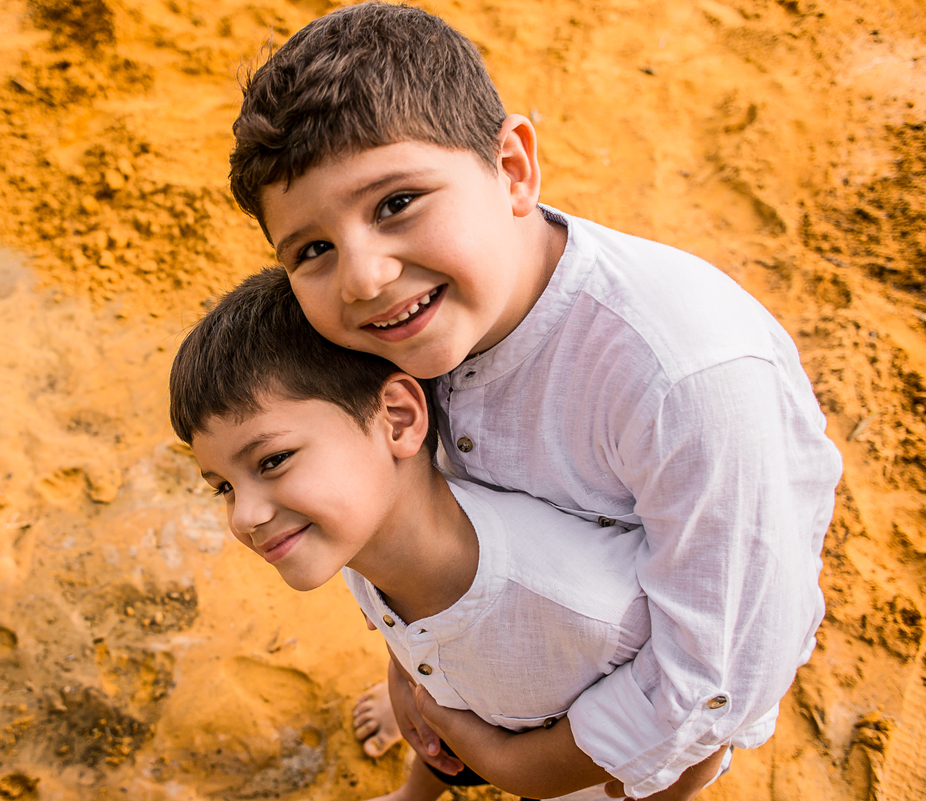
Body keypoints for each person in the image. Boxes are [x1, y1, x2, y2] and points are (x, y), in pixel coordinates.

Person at [226, 4, 844, 799]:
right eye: (313, 248)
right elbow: (397, 510)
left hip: (627, 679)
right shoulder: (397, 318)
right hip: (487, 615)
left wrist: (521, 763)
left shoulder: (685, 378)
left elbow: (719, 675)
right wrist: (410, 662)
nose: (364, 278)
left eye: (396, 203)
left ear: (513, 168)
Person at [169, 267, 660, 801]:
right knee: (435, 723)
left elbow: (687, 728)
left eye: (273, 460)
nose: (243, 517)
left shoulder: (583, 612)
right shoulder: (360, 537)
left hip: (580, 773)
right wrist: (403, 671)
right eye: (223, 487)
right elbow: (401, 625)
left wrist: (536, 773)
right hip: (459, 688)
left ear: (398, 420)